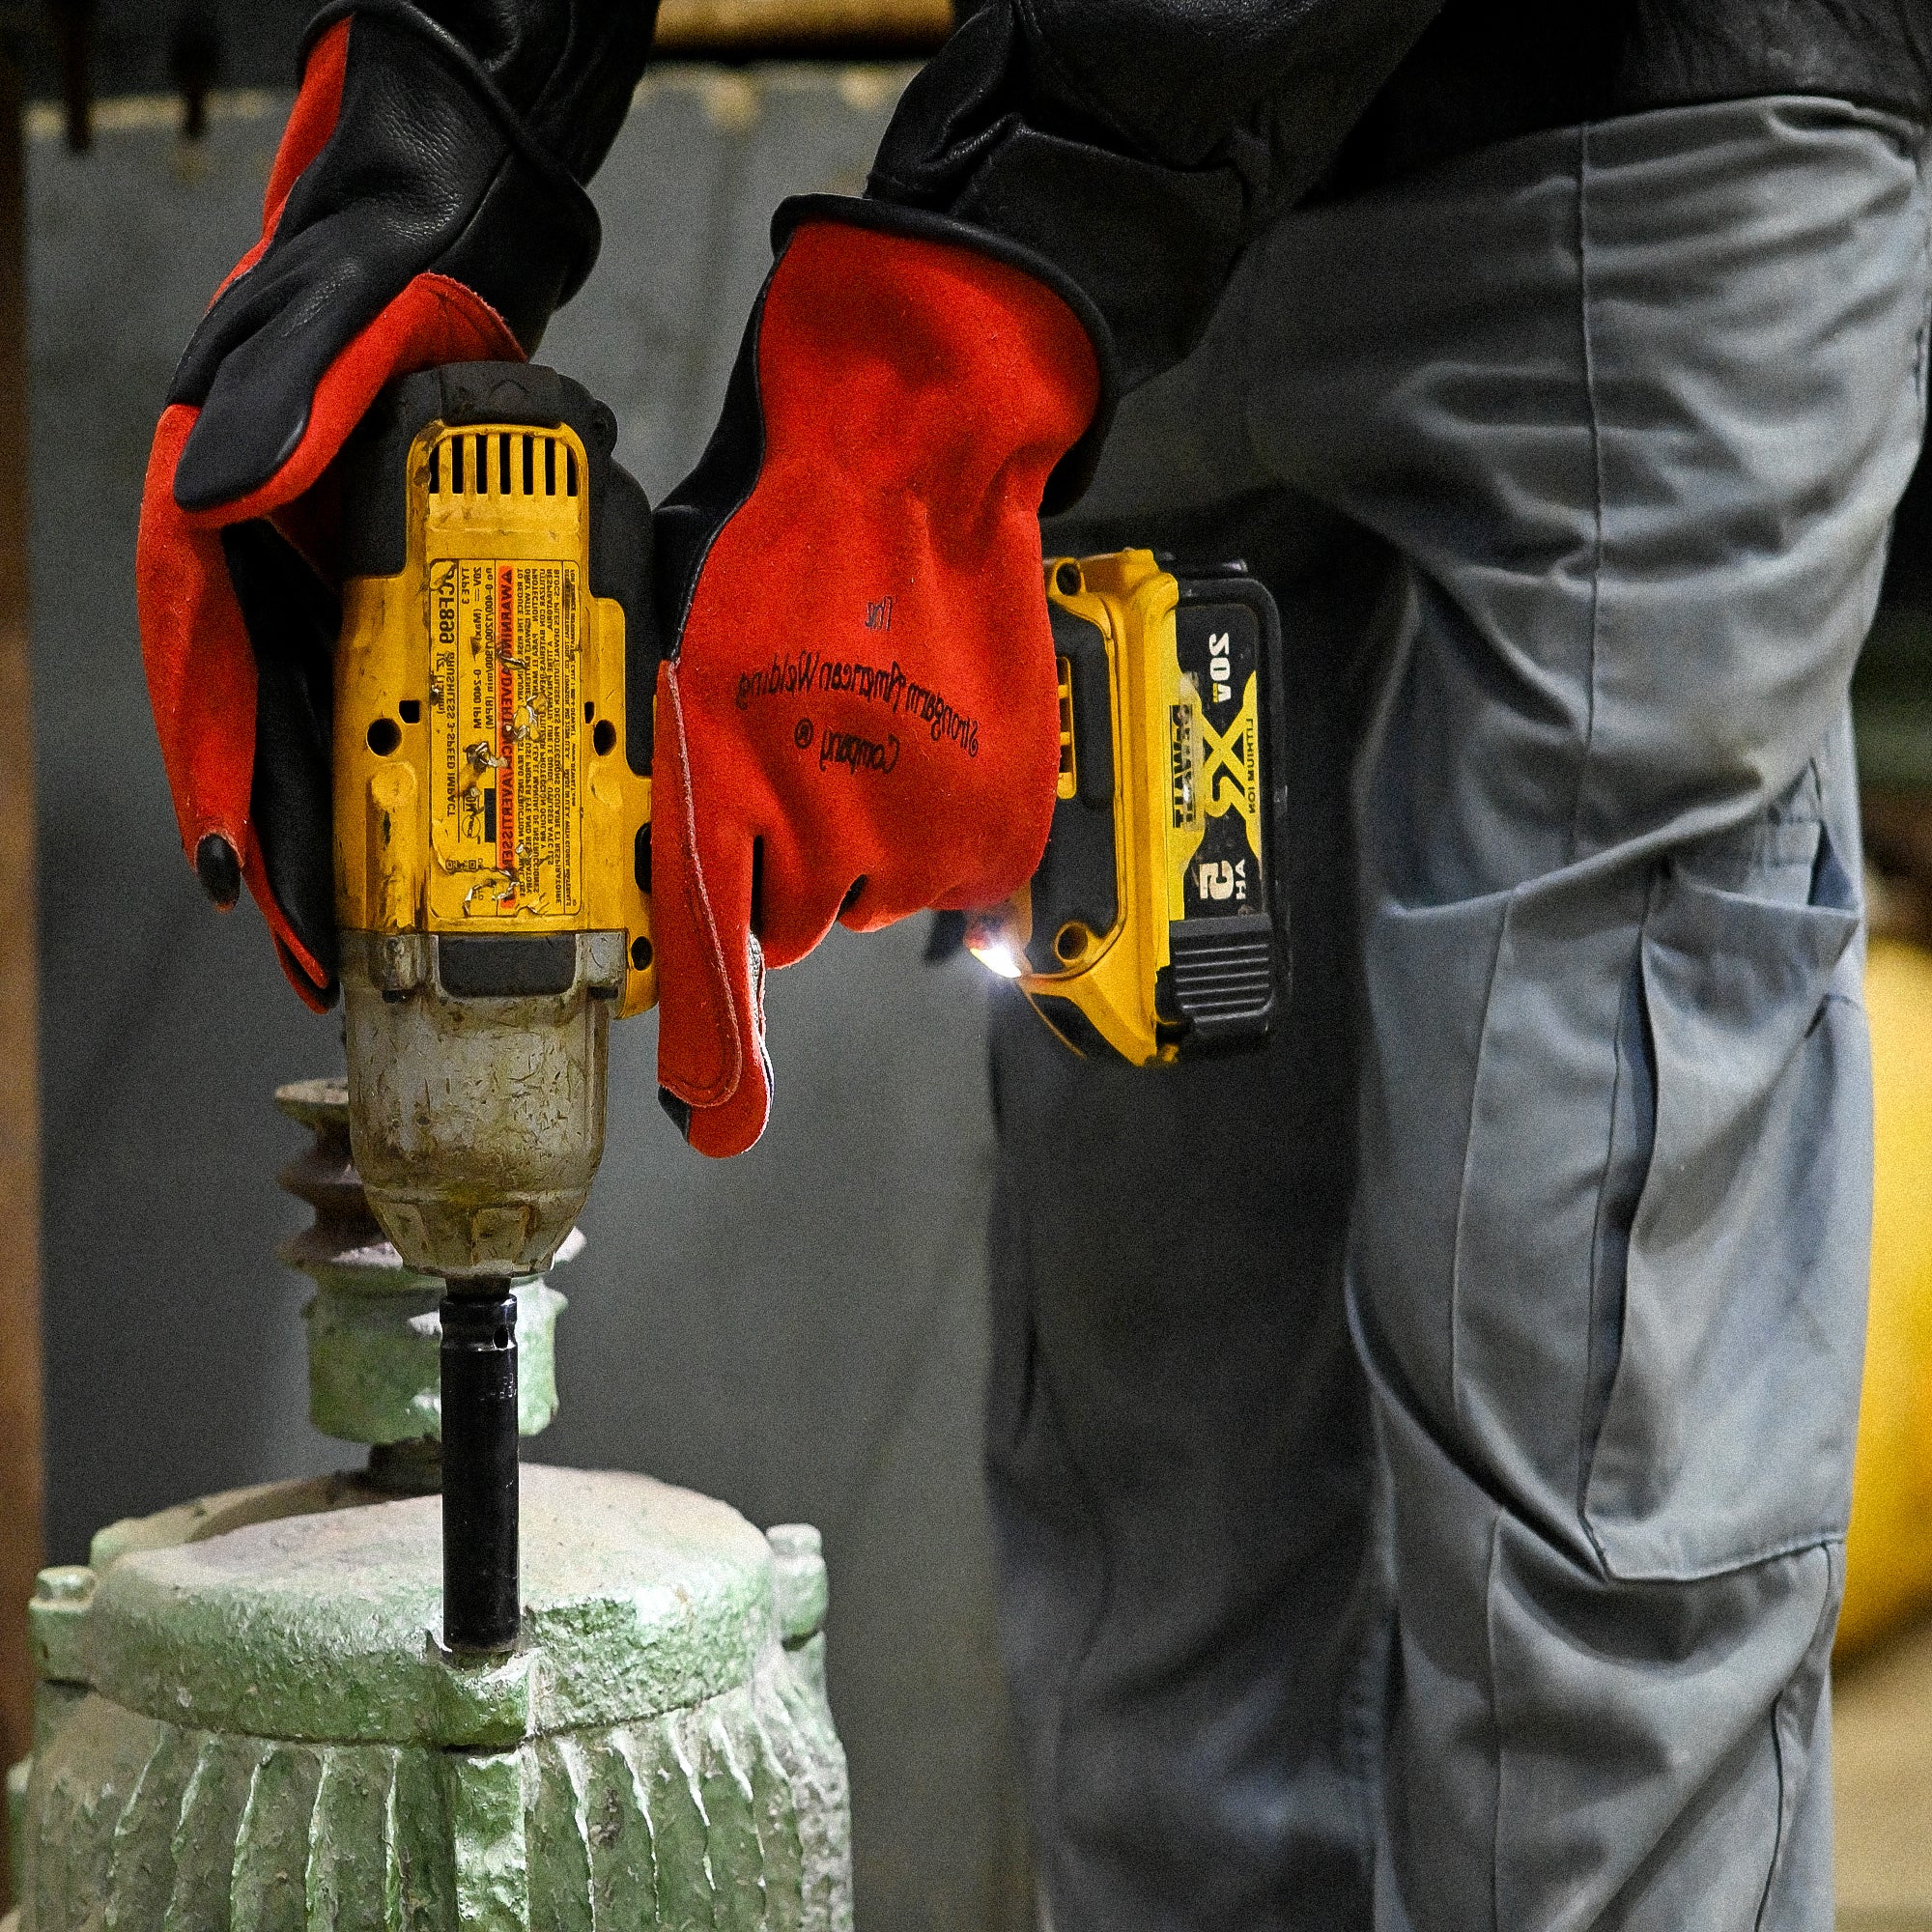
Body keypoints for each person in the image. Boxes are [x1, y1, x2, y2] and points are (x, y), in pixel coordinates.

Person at [135, 1, 1932, 1924]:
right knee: (1165, 1560)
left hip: (1628, 150)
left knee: (1587, 1523)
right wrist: (415, 171)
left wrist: (940, 359)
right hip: (1120, 270)